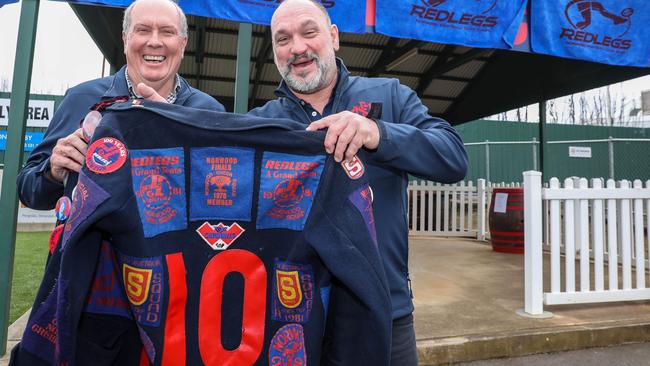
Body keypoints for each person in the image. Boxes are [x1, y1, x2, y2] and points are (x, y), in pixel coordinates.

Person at [248, 0, 468, 364]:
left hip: (385, 314)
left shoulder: (390, 97)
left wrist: (377, 133)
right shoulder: (262, 123)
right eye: (283, 39)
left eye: (309, 31)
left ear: (333, 37)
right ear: (274, 52)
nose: (297, 47)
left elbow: (453, 158)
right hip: (293, 320)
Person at [17, 0, 224, 210]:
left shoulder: (209, 111)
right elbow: (28, 191)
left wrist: (176, 127)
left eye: (167, 32)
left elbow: (221, 196)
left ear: (183, 43)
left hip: (175, 242)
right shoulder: (82, 98)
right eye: (143, 30)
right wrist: (52, 172)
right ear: (125, 39)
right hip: (95, 243)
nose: (154, 41)